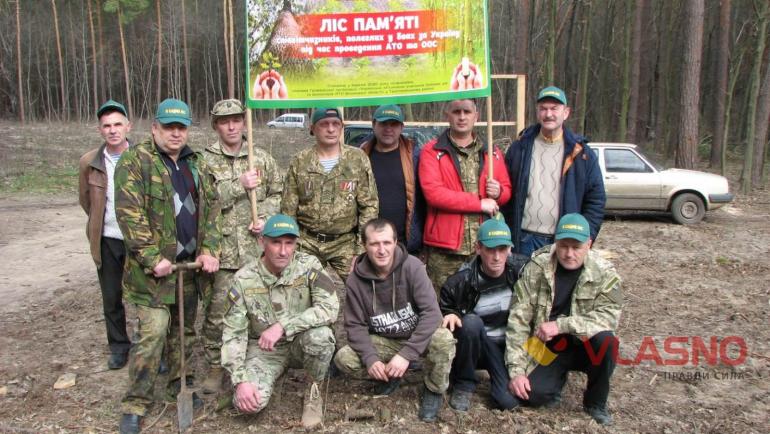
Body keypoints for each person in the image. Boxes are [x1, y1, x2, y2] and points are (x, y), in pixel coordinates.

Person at [115, 98, 221, 434]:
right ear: (155, 128)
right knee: (154, 333)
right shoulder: (136, 162)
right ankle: (136, 403)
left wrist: (208, 249)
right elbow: (129, 215)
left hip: (189, 270)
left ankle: (181, 383)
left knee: (184, 332)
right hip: (153, 275)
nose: (176, 133)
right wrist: (151, 257)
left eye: (182, 127)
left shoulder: (198, 164)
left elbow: (213, 214)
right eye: (169, 127)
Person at [221, 214, 339, 429]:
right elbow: (233, 333)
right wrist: (240, 380)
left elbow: (329, 308)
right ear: (262, 241)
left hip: (301, 344)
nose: (283, 251)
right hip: (265, 351)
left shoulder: (309, 266)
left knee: (321, 337)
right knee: (248, 404)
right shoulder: (244, 278)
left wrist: (284, 326)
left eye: (289, 243)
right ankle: (269, 376)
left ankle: (313, 391)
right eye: (276, 242)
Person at [334, 218, 456, 422]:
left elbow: (432, 314)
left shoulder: (413, 267)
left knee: (443, 339)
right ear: (365, 245)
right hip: (385, 340)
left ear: (395, 242)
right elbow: (355, 325)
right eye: (374, 244)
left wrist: (407, 355)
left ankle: (433, 389)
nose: (381, 250)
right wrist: (371, 359)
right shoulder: (356, 280)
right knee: (344, 359)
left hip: (416, 336)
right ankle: (389, 375)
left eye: (386, 243)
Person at [505, 213, 622, 425]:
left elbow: (609, 317)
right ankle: (555, 382)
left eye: (576, 247)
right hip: (544, 345)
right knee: (529, 395)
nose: (569, 254)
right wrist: (517, 372)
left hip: (583, 345)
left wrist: (561, 325)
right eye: (563, 246)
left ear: (589, 244)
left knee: (607, 342)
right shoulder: (537, 267)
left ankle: (595, 402)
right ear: (555, 242)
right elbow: (518, 322)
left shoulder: (604, 271)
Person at [200, 98, 283, 393]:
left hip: (256, 251)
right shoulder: (205, 161)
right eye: (225, 121)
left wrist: (266, 216)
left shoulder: (259, 157)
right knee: (219, 313)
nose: (232, 126)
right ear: (216, 126)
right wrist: (239, 185)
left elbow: (278, 192)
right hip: (223, 253)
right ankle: (214, 365)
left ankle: (255, 360)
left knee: (260, 310)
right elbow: (204, 201)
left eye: (236, 119)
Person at [419, 98, 512, 292]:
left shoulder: (492, 152)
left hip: (484, 246)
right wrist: (479, 204)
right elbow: (434, 193)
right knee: (443, 305)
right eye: (456, 111)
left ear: (476, 116)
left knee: (480, 302)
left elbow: (505, 192)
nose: (462, 117)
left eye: (467, 112)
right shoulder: (432, 151)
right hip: (446, 249)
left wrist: (499, 192)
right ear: (448, 116)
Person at [503, 86, 605, 257]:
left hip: (564, 242)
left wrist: (586, 237)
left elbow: (596, 200)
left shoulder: (582, 154)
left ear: (566, 112)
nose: (548, 114)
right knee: (523, 284)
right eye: (543, 109)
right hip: (524, 240)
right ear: (537, 112)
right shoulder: (519, 148)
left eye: (554, 109)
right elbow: (507, 194)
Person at [439, 218, 529, 411]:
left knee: (507, 402)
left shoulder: (523, 271)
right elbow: (444, 309)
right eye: (490, 249)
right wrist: (450, 314)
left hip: (509, 346)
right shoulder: (459, 282)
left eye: (502, 249)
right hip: (477, 346)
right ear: (478, 248)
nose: (497, 257)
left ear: (510, 249)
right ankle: (464, 383)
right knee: (470, 323)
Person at [281, 107, 379, 282]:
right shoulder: (300, 161)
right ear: (312, 128)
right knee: (297, 289)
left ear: (341, 127)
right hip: (306, 241)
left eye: (336, 124)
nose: (331, 129)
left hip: (344, 241)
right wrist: (289, 245)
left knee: (363, 286)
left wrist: (361, 249)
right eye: (324, 124)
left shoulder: (357, 159)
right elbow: (288, 210)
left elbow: (369, 207)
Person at [78, 100, 133, 370]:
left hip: (139, 240)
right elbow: (86, 200)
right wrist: (101, 225)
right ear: (100, 130)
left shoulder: (142, 156)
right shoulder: (90, 162)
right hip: (108, 239)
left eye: (117, 124)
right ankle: (119, 346)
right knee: (111, 297)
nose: (113, 130)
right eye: (107, 126)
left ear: (128, 126)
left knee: (148, 299)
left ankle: (152, 350)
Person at [359, 104, 424, 254]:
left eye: (394, 124)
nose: (388, 129)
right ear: (373, 125)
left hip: (406, 245)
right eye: (383, 123)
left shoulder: (415, 157)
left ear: (402, 127)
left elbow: (424, 202)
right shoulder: (361, 156)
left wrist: (423, 245)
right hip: (371, 243)